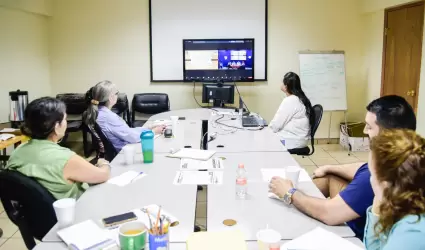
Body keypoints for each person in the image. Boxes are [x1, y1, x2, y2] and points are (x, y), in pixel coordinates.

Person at [269, 95, 416, 239]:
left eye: (369, 127)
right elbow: (363, 167)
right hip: (359, 216)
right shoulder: (407, 161)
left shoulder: (377, 178)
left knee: (306, 200)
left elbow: (328, 214)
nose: (365, 131)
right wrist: (330, 167)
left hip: (352, 236)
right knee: (328, 176)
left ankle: (287, 205)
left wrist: (290, 193)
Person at [6, 97, 110, 200]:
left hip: (34, 214)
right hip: (74, 212)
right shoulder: (66, 159)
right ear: (56, 127)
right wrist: (103, 163)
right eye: (65, 119)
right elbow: (103, 175)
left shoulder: (17, 152)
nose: (66, 123)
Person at [365, 129, 425, 249]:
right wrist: (379, 202)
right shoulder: (406, 207)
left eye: (372, 174)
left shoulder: (412, 232)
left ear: (385, 183)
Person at [83, 80, 165, 152]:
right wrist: (154, 132)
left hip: (116, 149)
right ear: (111, 98)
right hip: (123, 152)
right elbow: (132, 137)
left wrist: (148, 128)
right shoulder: (108, 117)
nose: (117, 95)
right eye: (116, 93)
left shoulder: (98, 112)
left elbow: (126, 132)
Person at [269, 72, 314, 153]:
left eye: (283, 82)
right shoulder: (300, 98)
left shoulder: (291, 100)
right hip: (299, 139)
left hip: (293, 141)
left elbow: (276, 125)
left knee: (265, 142)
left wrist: (265, 132)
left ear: (286, 86)